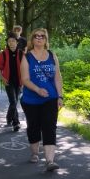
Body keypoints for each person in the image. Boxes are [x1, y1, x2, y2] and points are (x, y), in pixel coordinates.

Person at [20, 28, 64, 171]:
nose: (39, 38)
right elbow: (25, 79)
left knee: (49, 127)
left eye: (42, 36)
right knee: (33, 127)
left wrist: (60, 96)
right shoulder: (27, 57)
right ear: (32, 39)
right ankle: (34, 152)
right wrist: (37, 89)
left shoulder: (52, 55)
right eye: (36, 36)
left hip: (50, 98)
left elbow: (57, 78)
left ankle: (50, 161)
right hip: (31, 100)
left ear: (46, 40)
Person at [0, 34, 23, 131]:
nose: (11, 43)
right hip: (8, 81)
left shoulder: (21, 54)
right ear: (7, 43)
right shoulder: (3, 54)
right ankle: (16, 123)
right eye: (9, 41)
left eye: (13, 41)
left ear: (17, 42)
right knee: (13, 101)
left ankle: (9, 117)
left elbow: (25, 68)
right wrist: (2, 78)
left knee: (14, 101)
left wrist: (24, 80)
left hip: (19, 81)